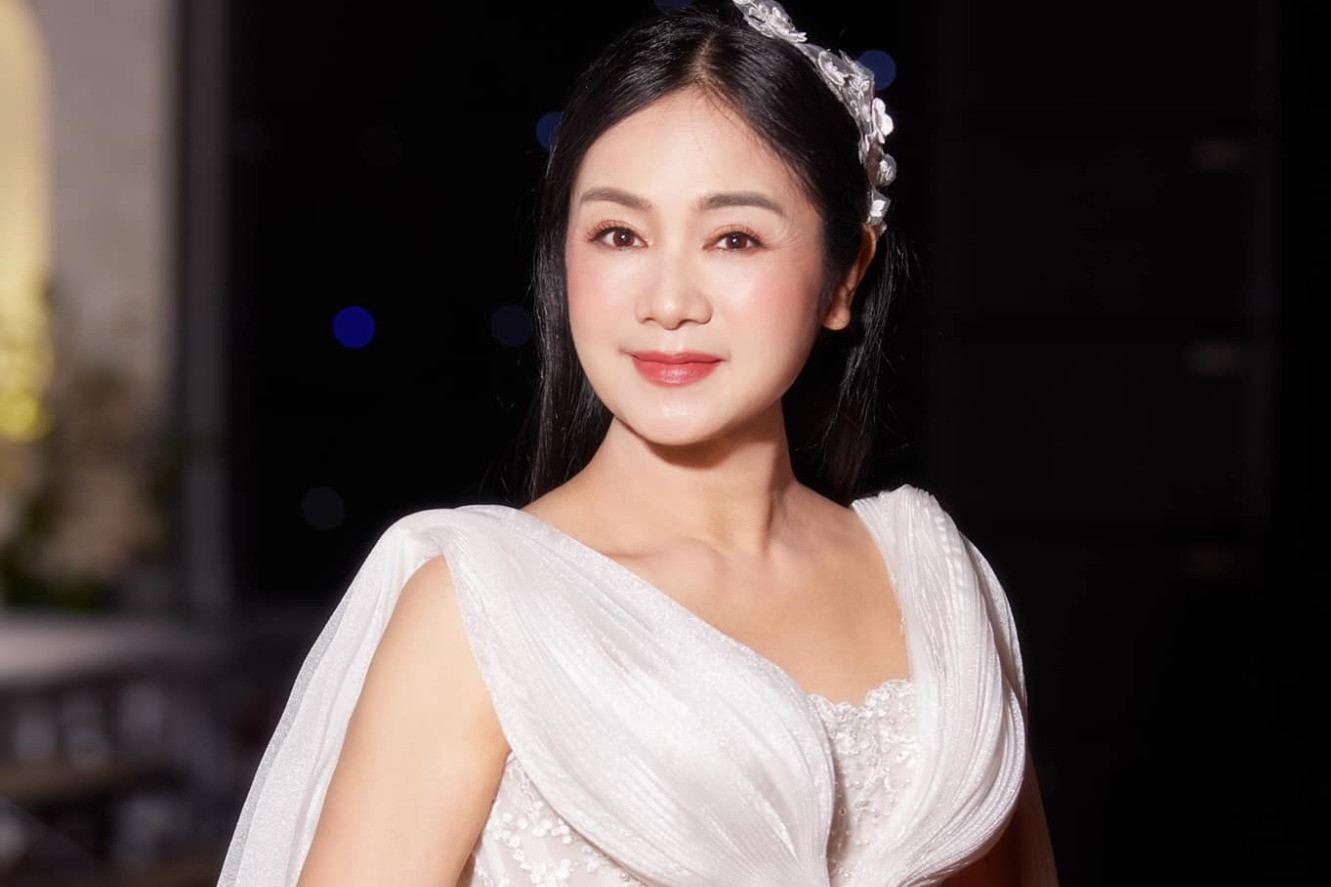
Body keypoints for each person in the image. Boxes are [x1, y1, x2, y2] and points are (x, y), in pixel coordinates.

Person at [216, 1, 1060, 885]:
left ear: (845, 273)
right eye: (619, 235)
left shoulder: (937, 581)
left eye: (734, 238)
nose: (667, 302)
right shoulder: (479, 608)